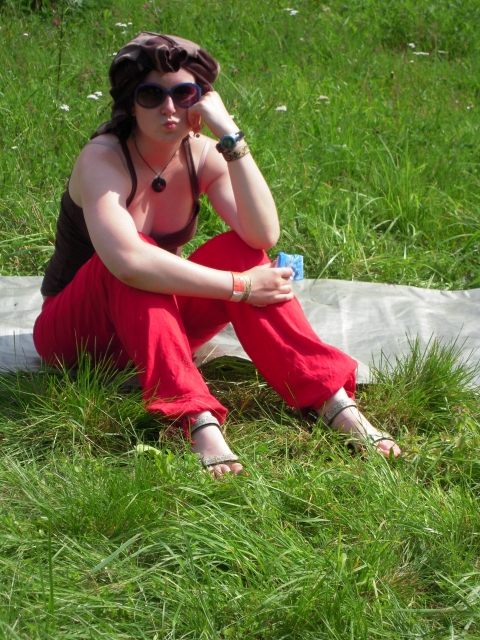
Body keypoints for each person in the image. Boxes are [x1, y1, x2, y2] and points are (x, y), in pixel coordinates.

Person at [33, 33, 401, 476]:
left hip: (154, 328)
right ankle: (194, 418)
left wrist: (228, 134)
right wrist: (242, 287)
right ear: (130, 103)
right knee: (138, 255)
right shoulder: (102, 160)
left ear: (201, 99)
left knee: (239, 248)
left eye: (184, 93)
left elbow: (262, 232)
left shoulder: (202, 155)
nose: (169, 107)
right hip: (78, 336)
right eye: (151, 95)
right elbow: (128, 262)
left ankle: (330, 399)